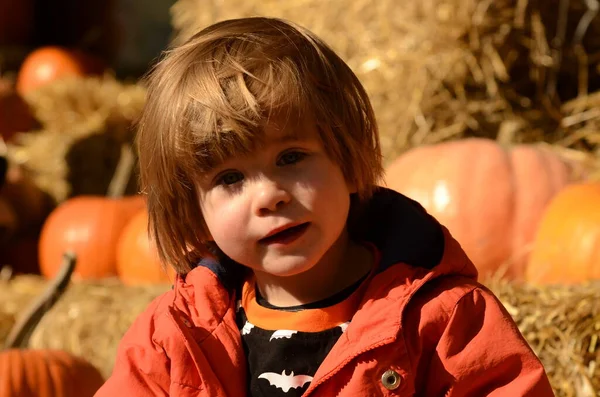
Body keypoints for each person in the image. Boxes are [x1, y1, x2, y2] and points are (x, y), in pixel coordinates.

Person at [94, 17, 555, 397]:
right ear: (193, 211)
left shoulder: (443, 320)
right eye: (229, 179)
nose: (268, 195)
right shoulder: (173, 337)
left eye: (290, 158)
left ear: (348, 158)